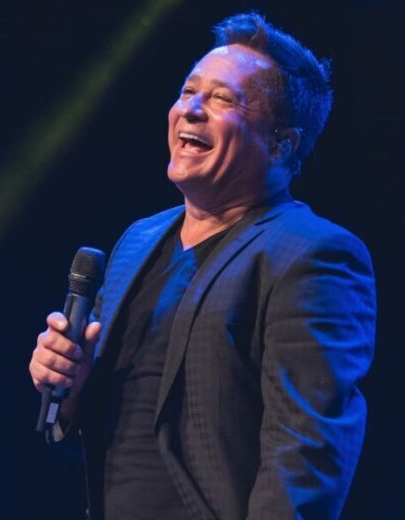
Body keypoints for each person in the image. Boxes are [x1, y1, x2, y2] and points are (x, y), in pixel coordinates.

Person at [29, 12, 375, 520]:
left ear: (281, 144)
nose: (190, 110)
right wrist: (72, 387)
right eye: (188, 91)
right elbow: (103, 430)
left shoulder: (312, 255)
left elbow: (305, 460)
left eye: (222, 100)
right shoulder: (138, 242)